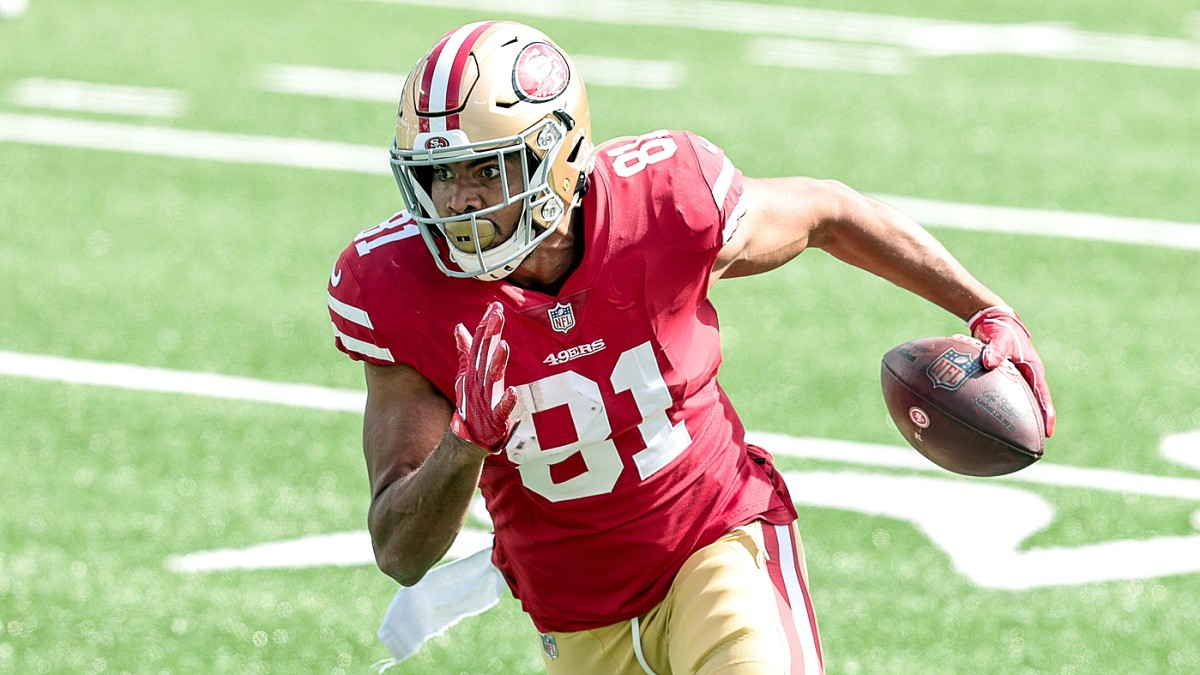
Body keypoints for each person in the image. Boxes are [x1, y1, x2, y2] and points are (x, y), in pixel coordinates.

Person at [327, 20, 1056, 675]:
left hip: (715, 546)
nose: (459, 201)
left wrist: (986, 308)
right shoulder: (395, 285)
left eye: (487, 170)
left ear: (558, 156)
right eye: (440, 174)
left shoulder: (665, 203)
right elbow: (399, 551)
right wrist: (464, 445)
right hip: (575, 617)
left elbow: (830, 212)